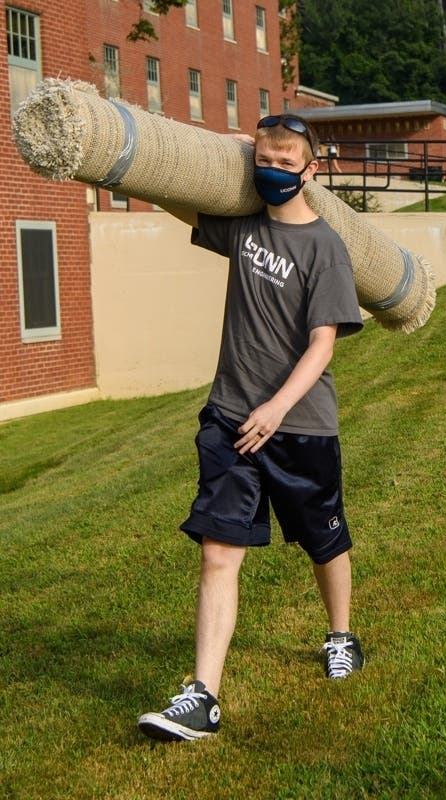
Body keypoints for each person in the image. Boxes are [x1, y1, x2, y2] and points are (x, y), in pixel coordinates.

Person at [137, 114, 365, 742]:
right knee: (218, 551)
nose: (273, 171)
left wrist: (277, 409)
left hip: (302, 424)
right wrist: (193, 151)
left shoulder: (325, 248)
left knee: (324, 540)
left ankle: (342, 635)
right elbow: (174, 191)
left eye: (287, 164)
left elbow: (324, 344)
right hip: (230, 416)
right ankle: (203, 697)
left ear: (310, 172)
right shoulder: (240, 225)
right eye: (264, 159)